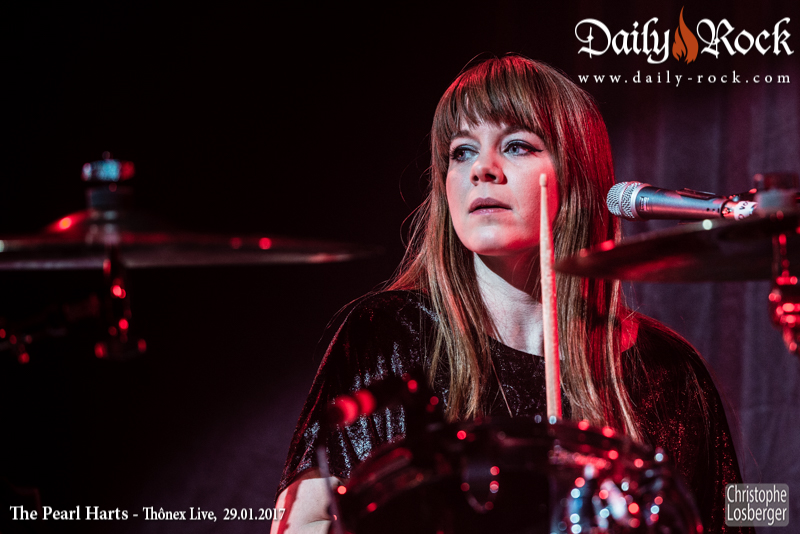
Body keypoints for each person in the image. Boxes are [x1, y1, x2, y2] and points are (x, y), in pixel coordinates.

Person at [271, 55, 750, 534]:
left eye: (517, 146)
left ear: (577, 175)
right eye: (461, 152)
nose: (482, 168)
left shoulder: (671, 370)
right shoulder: (385, 335)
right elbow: (300, 525)